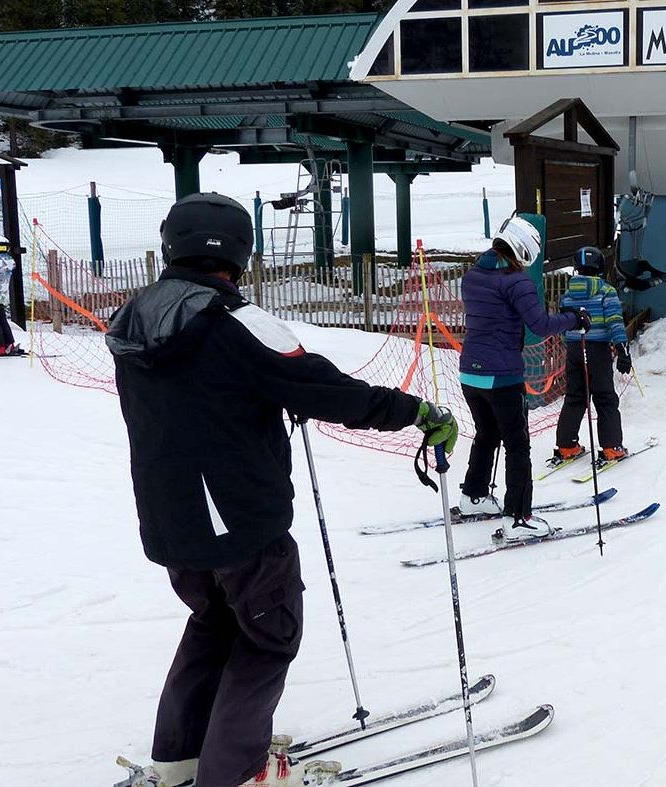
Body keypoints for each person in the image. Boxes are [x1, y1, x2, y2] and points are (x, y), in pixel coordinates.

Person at [105, 192, 459, 787]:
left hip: (170, 519)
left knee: (214, 623)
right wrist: (415, 411)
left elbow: (200, 396)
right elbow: (325, 389)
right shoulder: (237, 324)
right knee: (270, 635)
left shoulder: (136, 317)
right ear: (242, 253)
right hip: (239, 518)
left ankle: (179, 759)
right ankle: (238, 772)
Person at [457, 215, 585, 540]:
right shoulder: (517, 282)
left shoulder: (472, 276)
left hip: (470, 372)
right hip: (502, 376)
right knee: (517, 445)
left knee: (486, 434)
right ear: (524, 250)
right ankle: (517, 518)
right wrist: (573, 319)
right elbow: (540, 325)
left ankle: (474, 496)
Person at [553, 246, 630, 464]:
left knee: (575, 397)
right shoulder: (606, 291)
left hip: (575, 350)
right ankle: (611, 446)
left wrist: (570, 344)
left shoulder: (567, 296)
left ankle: (567, 445)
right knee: (605, 397)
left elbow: (562, 326)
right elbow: (615, 321)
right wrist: (622, 348)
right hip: (597, 350)